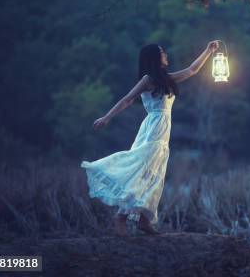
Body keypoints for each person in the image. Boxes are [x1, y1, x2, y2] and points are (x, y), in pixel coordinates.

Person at [81, 40, 220, 236]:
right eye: (162, 53)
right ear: (154, 58)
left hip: (163, 130)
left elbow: (192, 70)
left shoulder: (166, 79)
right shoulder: (148, 79)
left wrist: (208, 50)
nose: (166, 55)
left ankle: (144, 220)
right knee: (143, 169)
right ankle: (121, 218)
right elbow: (127, 99)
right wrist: (107, 117)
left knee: (155, 173)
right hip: (153, 128)